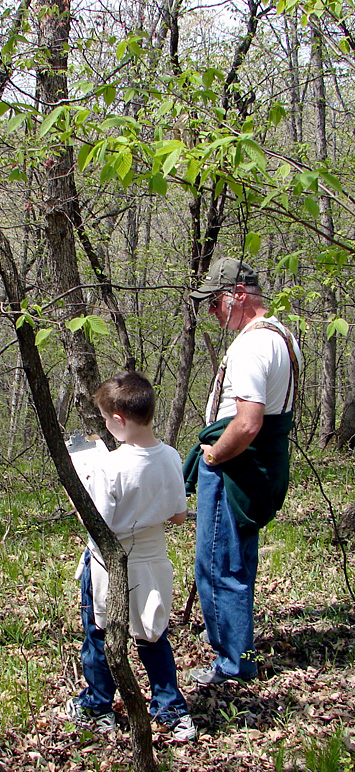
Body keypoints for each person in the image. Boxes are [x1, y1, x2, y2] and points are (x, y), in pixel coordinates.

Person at [185, 257, 301, 686]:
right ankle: (239, 649)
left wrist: (214, 457)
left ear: (237, 295)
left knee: (219, 565)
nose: (213, 313)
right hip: (258, 468)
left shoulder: (253, 345)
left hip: (236, 469)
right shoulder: (283, 336)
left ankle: (233, 664)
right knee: (238, 562)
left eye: (215, 303)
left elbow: (249, 421)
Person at [66, 371, 196, 741]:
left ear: (119, 421)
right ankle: (171, 710)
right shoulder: (170, 456)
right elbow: (178, 514)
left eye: (107, 420)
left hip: (110, 563)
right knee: (154, 634)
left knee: (101, 632)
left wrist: (83, 496)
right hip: (155, 560)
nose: (106, 426)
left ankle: (97, 705)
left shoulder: (110, 465)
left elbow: (99, 525)